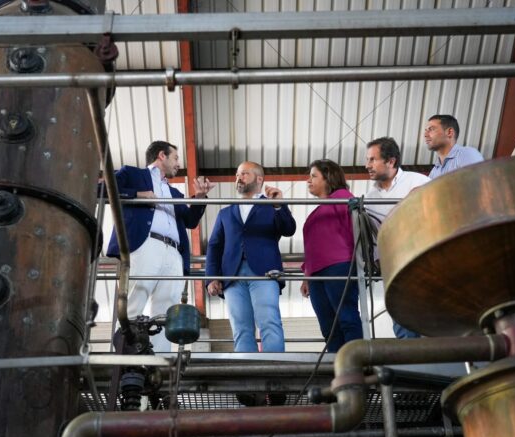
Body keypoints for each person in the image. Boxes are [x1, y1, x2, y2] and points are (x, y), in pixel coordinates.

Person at [106, 141, 214, 352]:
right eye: (175, 158)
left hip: (173, 253)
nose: (178, 163)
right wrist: (137, 195)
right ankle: (126, 359)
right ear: (162, 156)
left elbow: (191, 221)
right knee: (135, 300)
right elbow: (104, 188)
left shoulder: (175, 194)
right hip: (145, 244)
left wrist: (200, 198)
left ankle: (158, 363)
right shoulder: (133, 174)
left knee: (167, 311)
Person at [206, 162, 296, 352]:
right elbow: (214, 246)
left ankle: (275, 368)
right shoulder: (225, 213)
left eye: (244, 174)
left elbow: (289, 229)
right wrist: (211, 277)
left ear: (260, 179)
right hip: (232, 275)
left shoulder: (272, 205)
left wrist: (280, 205)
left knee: (269, 321)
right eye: (237, 174)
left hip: (265, 272)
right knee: (240, 327)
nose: (239, 178)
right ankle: (246, 372)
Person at [364, 137, 429, 339]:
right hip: (390, 263)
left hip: (420, 257)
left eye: (373, 160)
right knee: (399, 314)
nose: (368, 166)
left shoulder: (418, 181)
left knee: (428, 306)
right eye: (368, 160)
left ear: (391, 161)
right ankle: (408, 361)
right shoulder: (369, 198)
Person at [300, 159, 363, 353]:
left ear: (328, 177)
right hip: (316, 274)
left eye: (313, 176)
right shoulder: (317, 211)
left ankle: (357, 360)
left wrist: (359, 264)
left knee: (346, 316)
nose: (308, 181)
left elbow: (357, 232)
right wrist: (306, 276)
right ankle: (338, 365)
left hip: (339, 266)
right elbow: (313, 247)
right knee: (328, 325)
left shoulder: (344, 197)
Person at [424, 114, 484, 179]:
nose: (425, 135)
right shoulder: (435, 170)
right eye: (426, 131)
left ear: (449, 132)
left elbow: (480, 184)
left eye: (431, 129)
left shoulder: (466, 154)